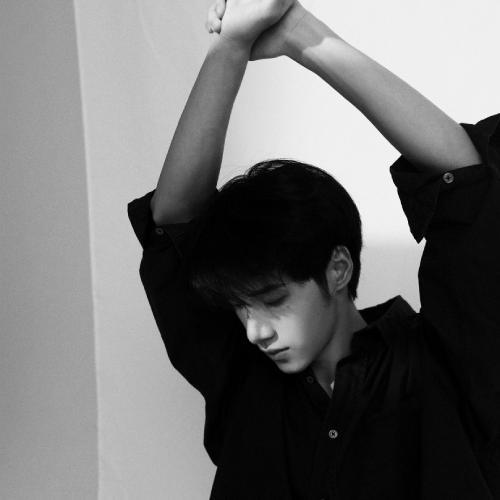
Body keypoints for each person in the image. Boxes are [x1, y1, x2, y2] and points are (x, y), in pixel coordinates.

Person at [127, 0, 500, 498]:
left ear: (338, 268)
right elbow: (173, 225)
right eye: (240, 307)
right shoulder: (243, 376)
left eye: (273, 299)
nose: (255, 331)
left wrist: (303, 34)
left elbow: (466, 185)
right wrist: (230, 47)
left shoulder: (443, 368)